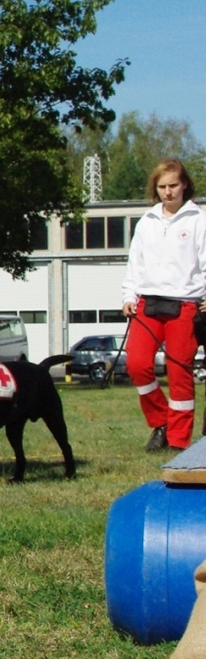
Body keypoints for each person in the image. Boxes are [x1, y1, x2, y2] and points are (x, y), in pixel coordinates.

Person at [122, 159, 206, 451]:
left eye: (173, 185)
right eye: (162, 187)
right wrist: (129, 296)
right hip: (148, 304)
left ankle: (179, 441)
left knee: (179, 372)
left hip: (185, 305)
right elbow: (136, 263)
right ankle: (161, 421)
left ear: (184, 185)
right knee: (137, 364)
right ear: (155, 189)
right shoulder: (147, 221)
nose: (168, 192)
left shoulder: (199, 220)